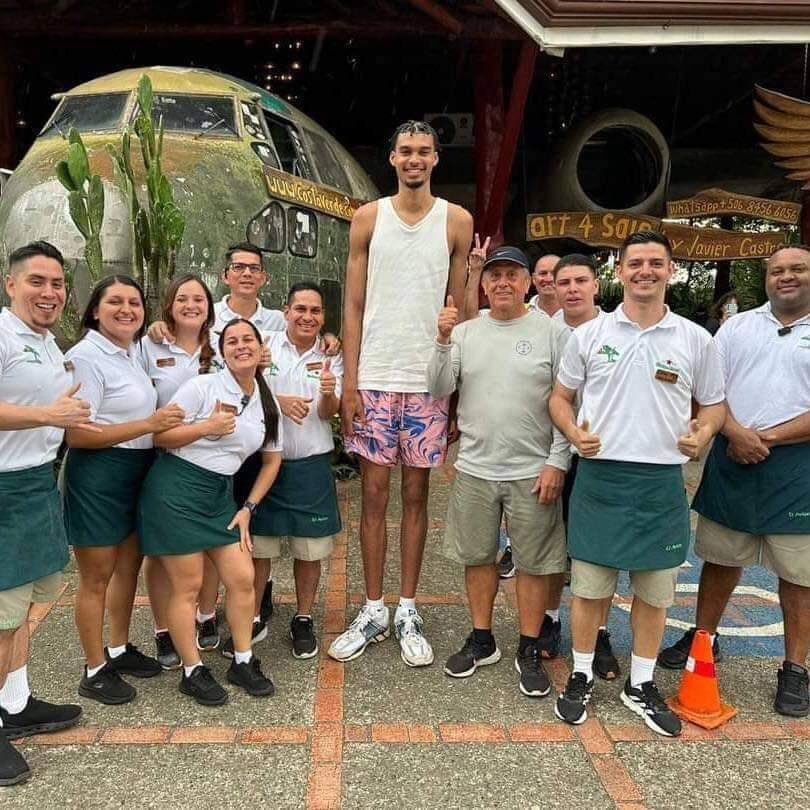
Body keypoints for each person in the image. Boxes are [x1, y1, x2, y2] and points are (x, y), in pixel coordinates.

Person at [549, 231, 725, 737]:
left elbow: (713, 404)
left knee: (655, 593)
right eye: (635, 264)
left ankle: (640, 683)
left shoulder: (695, 338)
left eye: (655, 263)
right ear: (619, 272)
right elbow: (560, 398)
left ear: (670, 271)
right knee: (588, 590)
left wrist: (706, 430)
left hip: (661, 482)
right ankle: (581, 674)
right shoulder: (589, 336)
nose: (645, 271)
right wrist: (572, 431)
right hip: (601, 479)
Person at [148, 244, 339, 647]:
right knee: (242, 549)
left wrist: (331, 342)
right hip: (229, 458)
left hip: (279, 455)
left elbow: (324, 401)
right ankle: (197, 623)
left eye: (255, 268)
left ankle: (276, 617)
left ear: (266, 278)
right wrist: (158, 327)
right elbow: (209, 343)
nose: (247, 274)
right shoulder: (216, 322)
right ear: (226, 274)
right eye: (239, 267)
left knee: (289, 549)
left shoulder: (285, 329)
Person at [333, 120, 473, 666]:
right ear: (391, 158)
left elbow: (457, 310)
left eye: (424, 151)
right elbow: (353, 305)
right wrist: (349, 382)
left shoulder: (456, 221)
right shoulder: (368, 218)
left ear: (437, 158)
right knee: (372, 497)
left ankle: (407, 606)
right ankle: (372, 608)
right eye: (405, 151)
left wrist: (456, 390)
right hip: (374, 376)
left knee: (417, 498)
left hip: (428, 382)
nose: (415, 159)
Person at [659, 245, 810, 718]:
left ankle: (795, 668)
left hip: (797, 462)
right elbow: (711, 390)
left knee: (799, 575)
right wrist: (735, 432)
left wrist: (764, 437)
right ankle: (705, 637)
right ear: (765, 278)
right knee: (720, 557)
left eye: (797, 269)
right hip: (733, 452)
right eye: (777, 270)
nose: (786, 277)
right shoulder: (738, 327)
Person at [427, 245, 569, 697]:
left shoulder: (552, 332)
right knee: (477, 556)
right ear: (484, 285)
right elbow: (438, 387)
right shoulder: (467, 332)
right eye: (495, 276)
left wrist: (557, 461)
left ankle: (528, 646)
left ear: (529, 282)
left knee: (533, 563)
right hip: (475, 467)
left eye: (512, 275)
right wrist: (442, 341)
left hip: (534, 469)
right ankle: (482, 637)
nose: (503, 283)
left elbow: (568, 403)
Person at [138, 318, 282, 705]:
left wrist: (249, 507)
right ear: (221, 351)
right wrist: (205, 427)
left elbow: (271, 461)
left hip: (220, 495)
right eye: (231, 341)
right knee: (187, 585)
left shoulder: (267, 401)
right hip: (177, 490)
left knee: (242, 578)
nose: (240, 346)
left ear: (259, 346)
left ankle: (243, 658)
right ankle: (192, 669)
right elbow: (160, 435)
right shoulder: (202, 386)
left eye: (247, 339)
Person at [64, 276, 185, 705]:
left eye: (134, 302)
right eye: (115, 302)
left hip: (137, 469)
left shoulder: (131, 352)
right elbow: (78, 435)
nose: (126, 309)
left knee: (128, 566)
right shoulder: (86, 357)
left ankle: (117, 648)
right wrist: (149, 426)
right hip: (99, 473)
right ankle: (94, 669)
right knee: (96, 576)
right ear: (95, 310)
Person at [0, 242, 85, 786]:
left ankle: (15, 701)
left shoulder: (50, 345)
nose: (48, 292)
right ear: (11, 284)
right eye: (37, 281)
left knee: (26, 603)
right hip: (4, 489)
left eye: (56, 284)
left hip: (35, 481)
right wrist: (47, 414)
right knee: (2, 616)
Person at [247, 282, 343, 660]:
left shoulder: (332, 354)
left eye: (315, 311)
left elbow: (328, 413)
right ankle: (253, 615)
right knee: (259, 550)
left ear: (323, 317)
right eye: (300, 309)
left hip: (311, 466)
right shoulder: (263, 344)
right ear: (285, 312)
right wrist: (278, 400)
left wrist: (332, 394)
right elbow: (236, 382)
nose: (307, 316)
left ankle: (303, 618)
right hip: (265, 464)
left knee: (310, 551)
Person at [538, 254, 618, 680]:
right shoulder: (544, 331)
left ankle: (600, 632)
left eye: (579, 280)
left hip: (599, 456)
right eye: (561, 281)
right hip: (551, 455)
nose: (570, 288)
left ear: (595, 286)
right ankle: (550, 618)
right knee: (554, 545)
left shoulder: (616, 330)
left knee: (597, 551)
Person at [138, 274, 217, 668]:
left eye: (198, 299)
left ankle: (204, 617)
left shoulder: (220, 345)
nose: (191, 305)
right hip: (163, 456)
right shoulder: (149, 344)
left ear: (209, 306)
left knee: (204, 545)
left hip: (212, 461)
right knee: (161, 550)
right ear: (169, 305)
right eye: (182, 299)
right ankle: (163, 629)